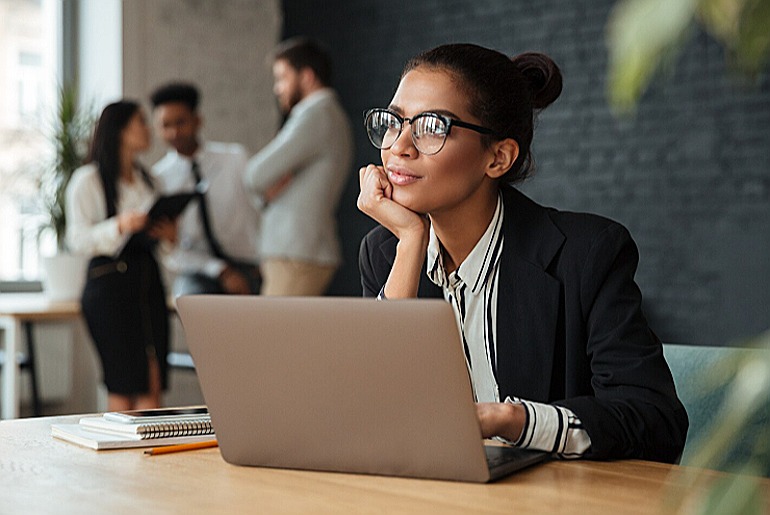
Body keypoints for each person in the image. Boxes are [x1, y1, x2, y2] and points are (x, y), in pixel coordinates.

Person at [357, 43, 688, 462]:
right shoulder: (387, 252)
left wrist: (512, 420)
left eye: (431, 127)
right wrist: (408, 243)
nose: (398, 147)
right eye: (394, 123)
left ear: (498, 158)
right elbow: (371, 416)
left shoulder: (587, 254)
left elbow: (656, 421)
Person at [66, 101, 176, 411]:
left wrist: (167, 236)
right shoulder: (87, 180)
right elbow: (77, 239)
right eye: (140, 122)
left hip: (147, 285)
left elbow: (165, 248)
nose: (148, 129)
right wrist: (119, 225)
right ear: (120, 131)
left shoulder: (150, 180)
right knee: (124, 384)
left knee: (153, 383)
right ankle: (121, 458)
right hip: (109, 290)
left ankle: (151, 457)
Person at [244, 37, 353, 296]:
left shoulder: (316, 114)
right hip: (299, 250)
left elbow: (255, 175)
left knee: (273, 336)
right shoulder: (327, 114)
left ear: (306, 76)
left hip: (296, 252)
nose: (277, 88)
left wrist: (268, 187)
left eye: (282, 77)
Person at [151, 82, 261, 296]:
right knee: (188, 301)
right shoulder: (158, 180)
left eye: (181, 122)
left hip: (250, 265)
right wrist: (221, 271)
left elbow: (263, 208)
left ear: (197, 120)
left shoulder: (235, 159)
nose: (174, 132)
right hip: (199, 271)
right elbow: (171, 251)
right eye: (165, 125)